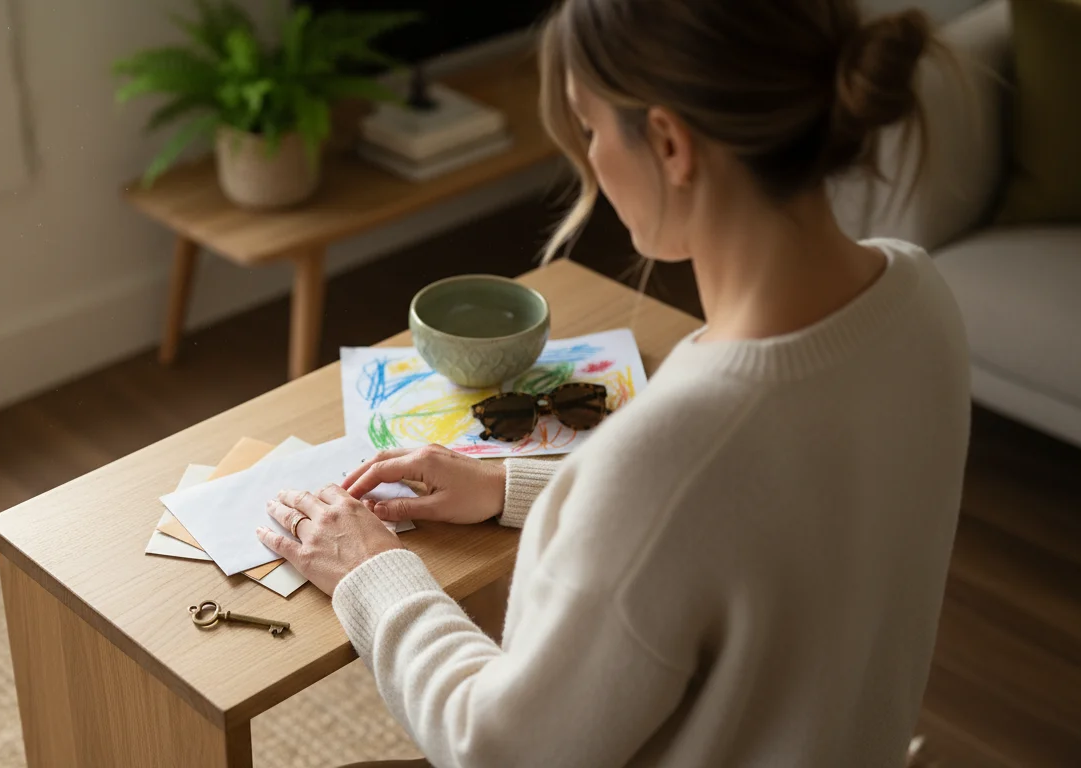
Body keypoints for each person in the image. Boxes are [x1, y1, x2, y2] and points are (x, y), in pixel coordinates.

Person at [253, 0, 971, 765]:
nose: (590, 159)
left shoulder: (675, 452)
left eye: (590, 129)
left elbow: (497, 746)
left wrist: (372, 571)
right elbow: (739, 526)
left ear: (669, 143)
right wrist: (521, 490)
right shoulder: (919, 297)